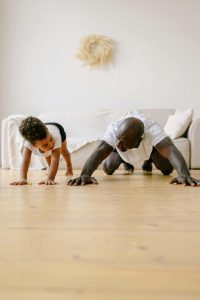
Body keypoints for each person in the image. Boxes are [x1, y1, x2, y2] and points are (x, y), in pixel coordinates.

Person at [68, 112, 200, 187]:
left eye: (123, 142)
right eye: (118, 140)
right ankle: (124, 160)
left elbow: (170, 149)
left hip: (149, 150)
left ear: (139, 140)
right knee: (108, 168)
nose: (118, 143)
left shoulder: (152, 130)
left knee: (167, 170)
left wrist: (184, 175)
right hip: (122, 153)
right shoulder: (114, 128)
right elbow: (100, 151)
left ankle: (148, 159)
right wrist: (85, 174)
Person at [10, 116, 73, 185]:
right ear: (33, 145)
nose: (51, 144)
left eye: (51, 139)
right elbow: (25, 160)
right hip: (43, 129)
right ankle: (49, 168)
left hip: (57, 128)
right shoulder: (28, 144)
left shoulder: (55, 137)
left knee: (64, 151)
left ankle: (69, 166)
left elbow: (55, 159)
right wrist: (22, 178)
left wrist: (50, 178)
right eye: (45, 145)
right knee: (46, 153)